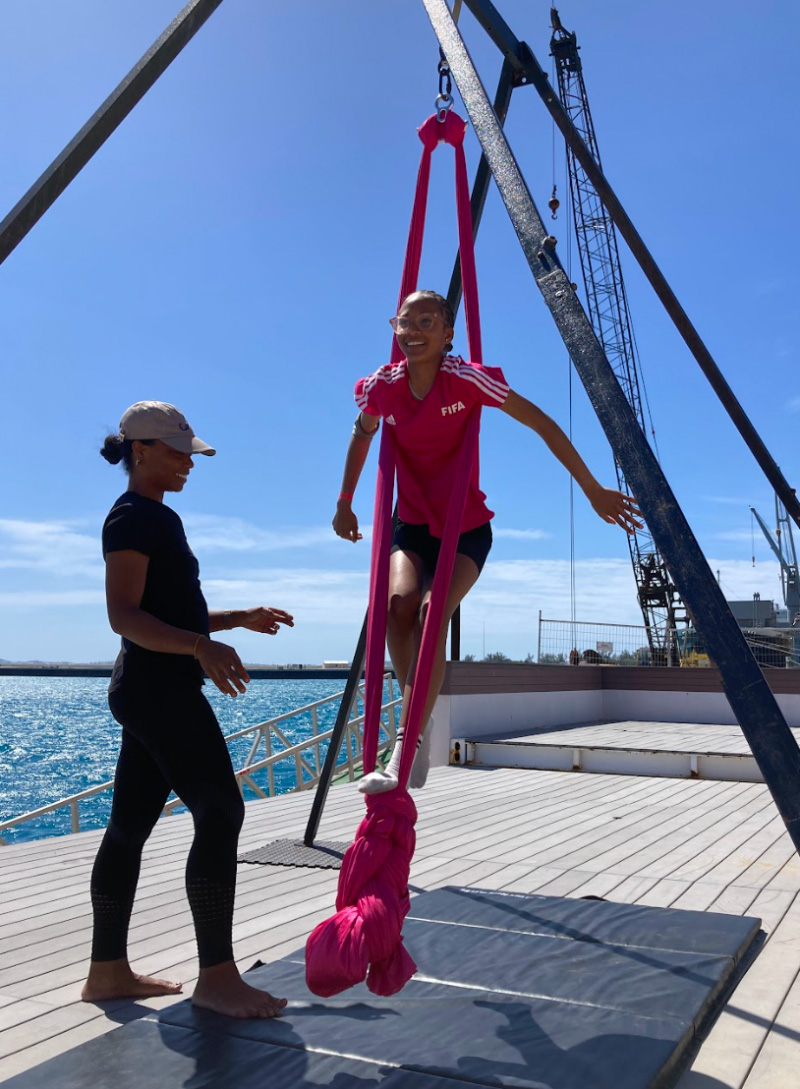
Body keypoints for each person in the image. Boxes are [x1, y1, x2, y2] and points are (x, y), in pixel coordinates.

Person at [333, 291, 641, 793]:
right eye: (404, 322)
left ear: (447, 333)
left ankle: (407, 740)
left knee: (431, 613)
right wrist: (344, 500)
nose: (412, 331)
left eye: (426, 322)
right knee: (396, 607)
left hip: (466, 528)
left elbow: (540, 422)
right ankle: (419, 719)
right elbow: (362, 432)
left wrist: (591, 488)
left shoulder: (466, 379)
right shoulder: (382, 387)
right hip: (410, 525)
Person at [82, 401, 294, 1019]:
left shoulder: (157, 517)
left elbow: (172, 611)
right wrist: (201, 647)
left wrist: (235, 619)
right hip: (158, 691)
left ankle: (107, 973)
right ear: (140, 450)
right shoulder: (132, 516)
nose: (188, 463)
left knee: (128, 829)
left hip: (152, 687)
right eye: (177, 452)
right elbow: (124, 616)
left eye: (190, 453)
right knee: (221, 810)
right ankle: (217, 979)